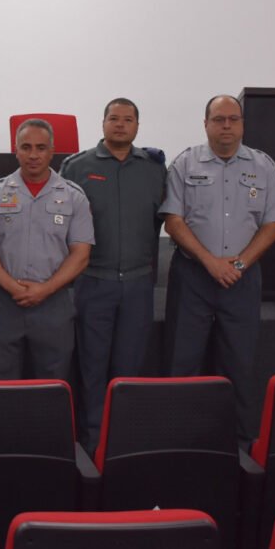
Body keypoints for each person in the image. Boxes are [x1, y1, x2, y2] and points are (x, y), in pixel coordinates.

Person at [160, 94, 275, 448]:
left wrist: (238, 264)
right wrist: (210, 261)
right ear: (206, 124)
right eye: (219, 120)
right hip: (193, 276)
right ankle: (176, 442)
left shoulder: (264, 166)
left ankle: (237, 445)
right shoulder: (185, 163)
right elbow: (173, 221)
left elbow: (273, 226)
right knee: (181, 363)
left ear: (243, 124)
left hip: (242, 279)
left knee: (239, 364)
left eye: (233, 119)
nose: (227, 126)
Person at [59, 98, 166, 453]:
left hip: (137, 283)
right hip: (94, 280)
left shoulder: (153, 170)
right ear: (102, 123)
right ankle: (91, 443)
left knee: (129, 368)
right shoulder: (76, 167)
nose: (120, 125)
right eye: (114, 119)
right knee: (92, 366)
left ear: (137, 126)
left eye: (128, 119)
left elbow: (158, 222)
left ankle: (121, 442)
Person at [0, 118, 94, 381]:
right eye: (26, 147)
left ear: (52, 151)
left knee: (53, 383)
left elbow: (81, 254)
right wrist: (13, 288)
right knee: (2, 383)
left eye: (41, 147)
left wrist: (45, 290)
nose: (34, 155)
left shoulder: (74, 196)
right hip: (5, 302)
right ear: (15, 150)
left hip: (54, 304)